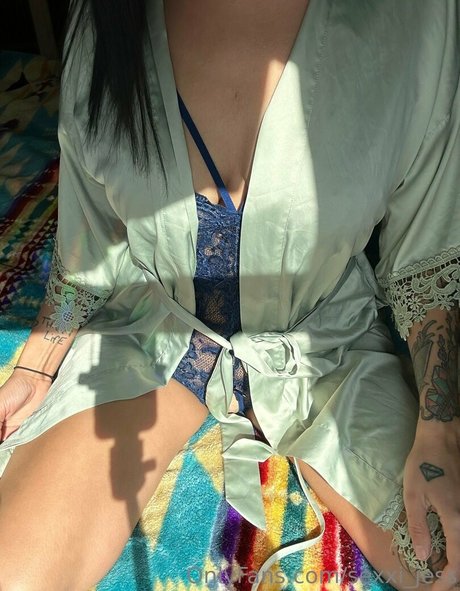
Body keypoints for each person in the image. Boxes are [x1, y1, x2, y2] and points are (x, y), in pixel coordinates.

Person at [0, 0, 459, 589]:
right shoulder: (103, 17)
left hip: (325, 350)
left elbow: (427, 252)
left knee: (445, 562)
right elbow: (90, 233)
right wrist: (37, 364)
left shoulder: (418, 18)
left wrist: (440, 427)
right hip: (155, 336)